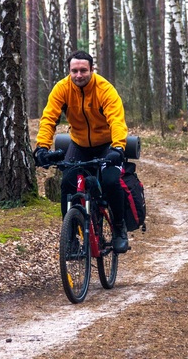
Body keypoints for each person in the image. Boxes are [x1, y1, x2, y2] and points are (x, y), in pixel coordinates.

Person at [34, 50, 129, 253]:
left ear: (92, 70)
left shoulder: (105, 89)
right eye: (74, 71)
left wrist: (118, 147)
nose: (78, 75)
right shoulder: (62, 88)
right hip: (78, 144)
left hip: (106, 145)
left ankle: (119, 228)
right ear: (69, 71)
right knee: (67, 183)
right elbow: (49, 119)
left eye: (83, 70)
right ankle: (70, 237)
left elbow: (117, 121)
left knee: (111, 181)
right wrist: (42, 147)